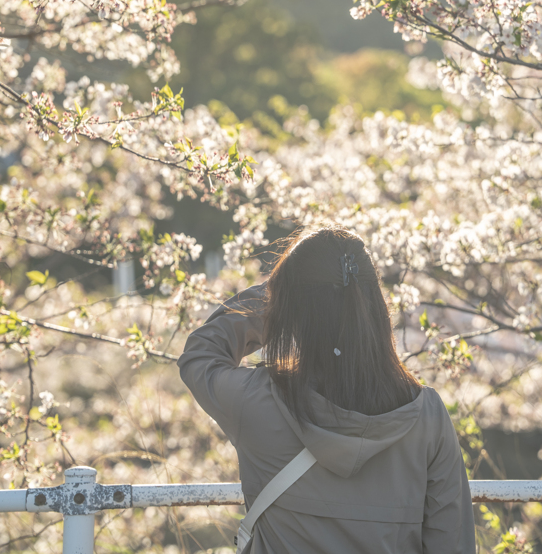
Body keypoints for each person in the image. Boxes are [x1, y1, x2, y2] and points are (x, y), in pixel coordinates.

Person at [178, 226, 476, 553]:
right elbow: (452, 544)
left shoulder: (259, 402)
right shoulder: (426, 417)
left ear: (292, 310)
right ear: (375, 306)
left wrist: (276, 295)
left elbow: (200, 356)